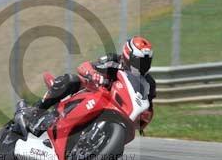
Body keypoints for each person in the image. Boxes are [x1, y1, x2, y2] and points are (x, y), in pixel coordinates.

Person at [18, 36, 156, 135]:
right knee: (71, 80)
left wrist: (144, 117)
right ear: (127, 55)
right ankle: (36, 110)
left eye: (146, 61)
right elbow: (84, 66)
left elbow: (148, 106)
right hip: (91, 92)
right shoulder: (113, 60)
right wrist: (93, 74)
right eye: (140, 61)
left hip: (112, 108)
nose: (143, 65)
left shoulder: (148, 83)